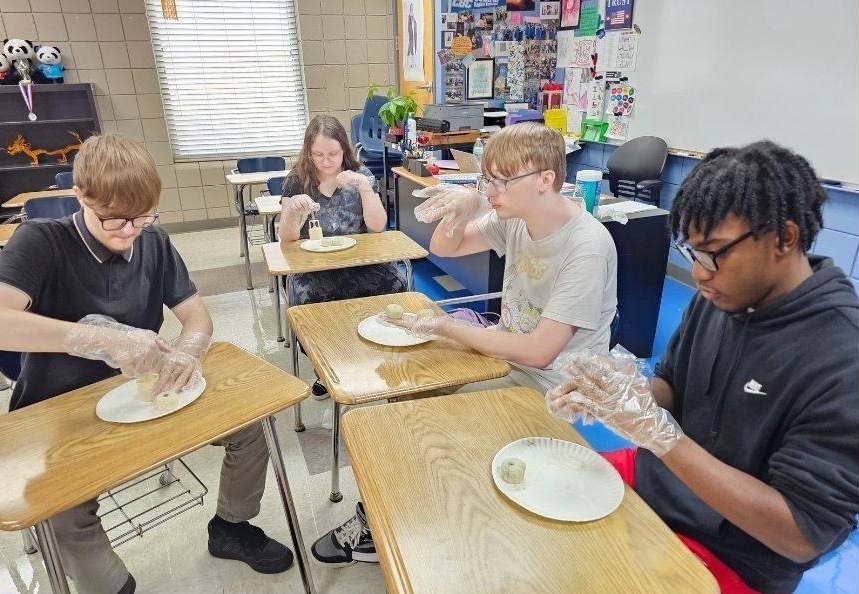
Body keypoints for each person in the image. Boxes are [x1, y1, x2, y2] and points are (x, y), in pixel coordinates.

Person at [548, 141, 859, 594]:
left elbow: (800, 535)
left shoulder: (842, 355)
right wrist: (622, 395)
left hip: (734, 554)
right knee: (532, 501)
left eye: (713, 252)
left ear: (785, 238)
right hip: (656, 482)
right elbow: (672, 385)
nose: (698, 273)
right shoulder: (721, 295)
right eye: (691, 252)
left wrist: (662, 437)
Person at [311, 123, 618, 567]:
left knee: (426, 428)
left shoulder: (586, 246)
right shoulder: (516, 216)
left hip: (554, 382)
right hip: (503, 353)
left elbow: (540, 352)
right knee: (406, 391)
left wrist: (447, 327)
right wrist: (470, 206)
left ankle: (396, 525)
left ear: (545, 180)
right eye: (487, 179)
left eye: (501, 181)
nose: (492, 190)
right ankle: (397, 511)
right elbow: (444, 246)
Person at [0, 134, 294, 594]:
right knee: (64, 510)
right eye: (113, 219)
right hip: (63, 409)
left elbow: (195, 315)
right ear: (80, 196)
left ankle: (231, 527)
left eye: (142, 217)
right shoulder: (41, 241)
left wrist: (187, 350)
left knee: (250, 427)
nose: (128, 231)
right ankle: (112, 585)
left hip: (143, 395)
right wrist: (91, 338)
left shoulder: (153, 242)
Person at [278, 115, 405, 399]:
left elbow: (377, 226)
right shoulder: (297, 180)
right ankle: (325, 366)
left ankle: (382, 354)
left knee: (395, 282)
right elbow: (287, 238)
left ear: (344, 150)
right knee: (307, 298)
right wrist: (292, 211)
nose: (326, 161)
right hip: (316, 267)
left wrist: (363, 187)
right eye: (318, 155)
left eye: (333, 154)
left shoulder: (360, 174)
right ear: (308, 153)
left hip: (361, 262)